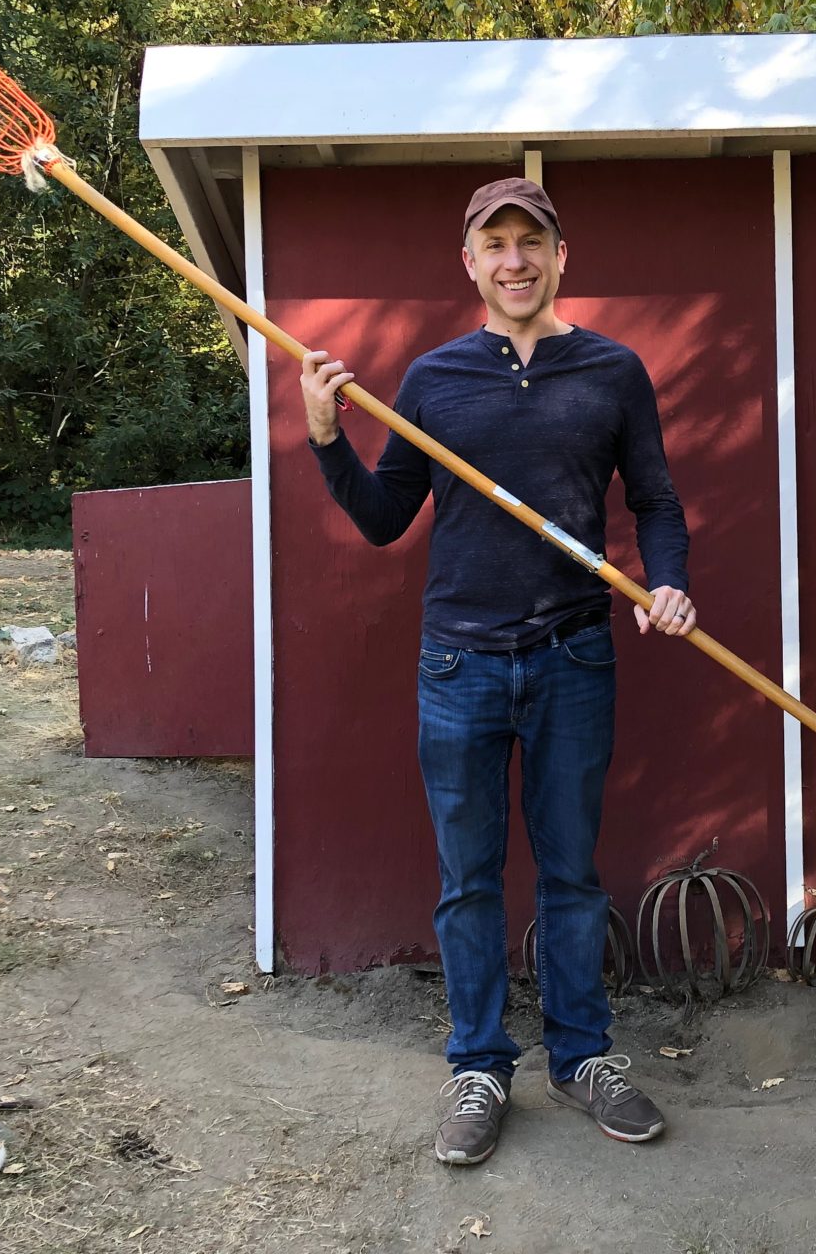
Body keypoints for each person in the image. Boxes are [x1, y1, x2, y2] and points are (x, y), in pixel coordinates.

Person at [298, 176, 696, 1166]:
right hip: (458, 663)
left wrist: (668, 584)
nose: (514, 260)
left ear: (560, 255)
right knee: (468, 880)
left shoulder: (612, 372)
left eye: (531, 242)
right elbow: (387, 519)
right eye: (495, 244)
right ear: (468, 263)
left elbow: (653, 500)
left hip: (573, 655)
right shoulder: (434, 381)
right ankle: (477, 1068)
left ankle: (582, 1058)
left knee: (569, 873)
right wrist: (321, 436)